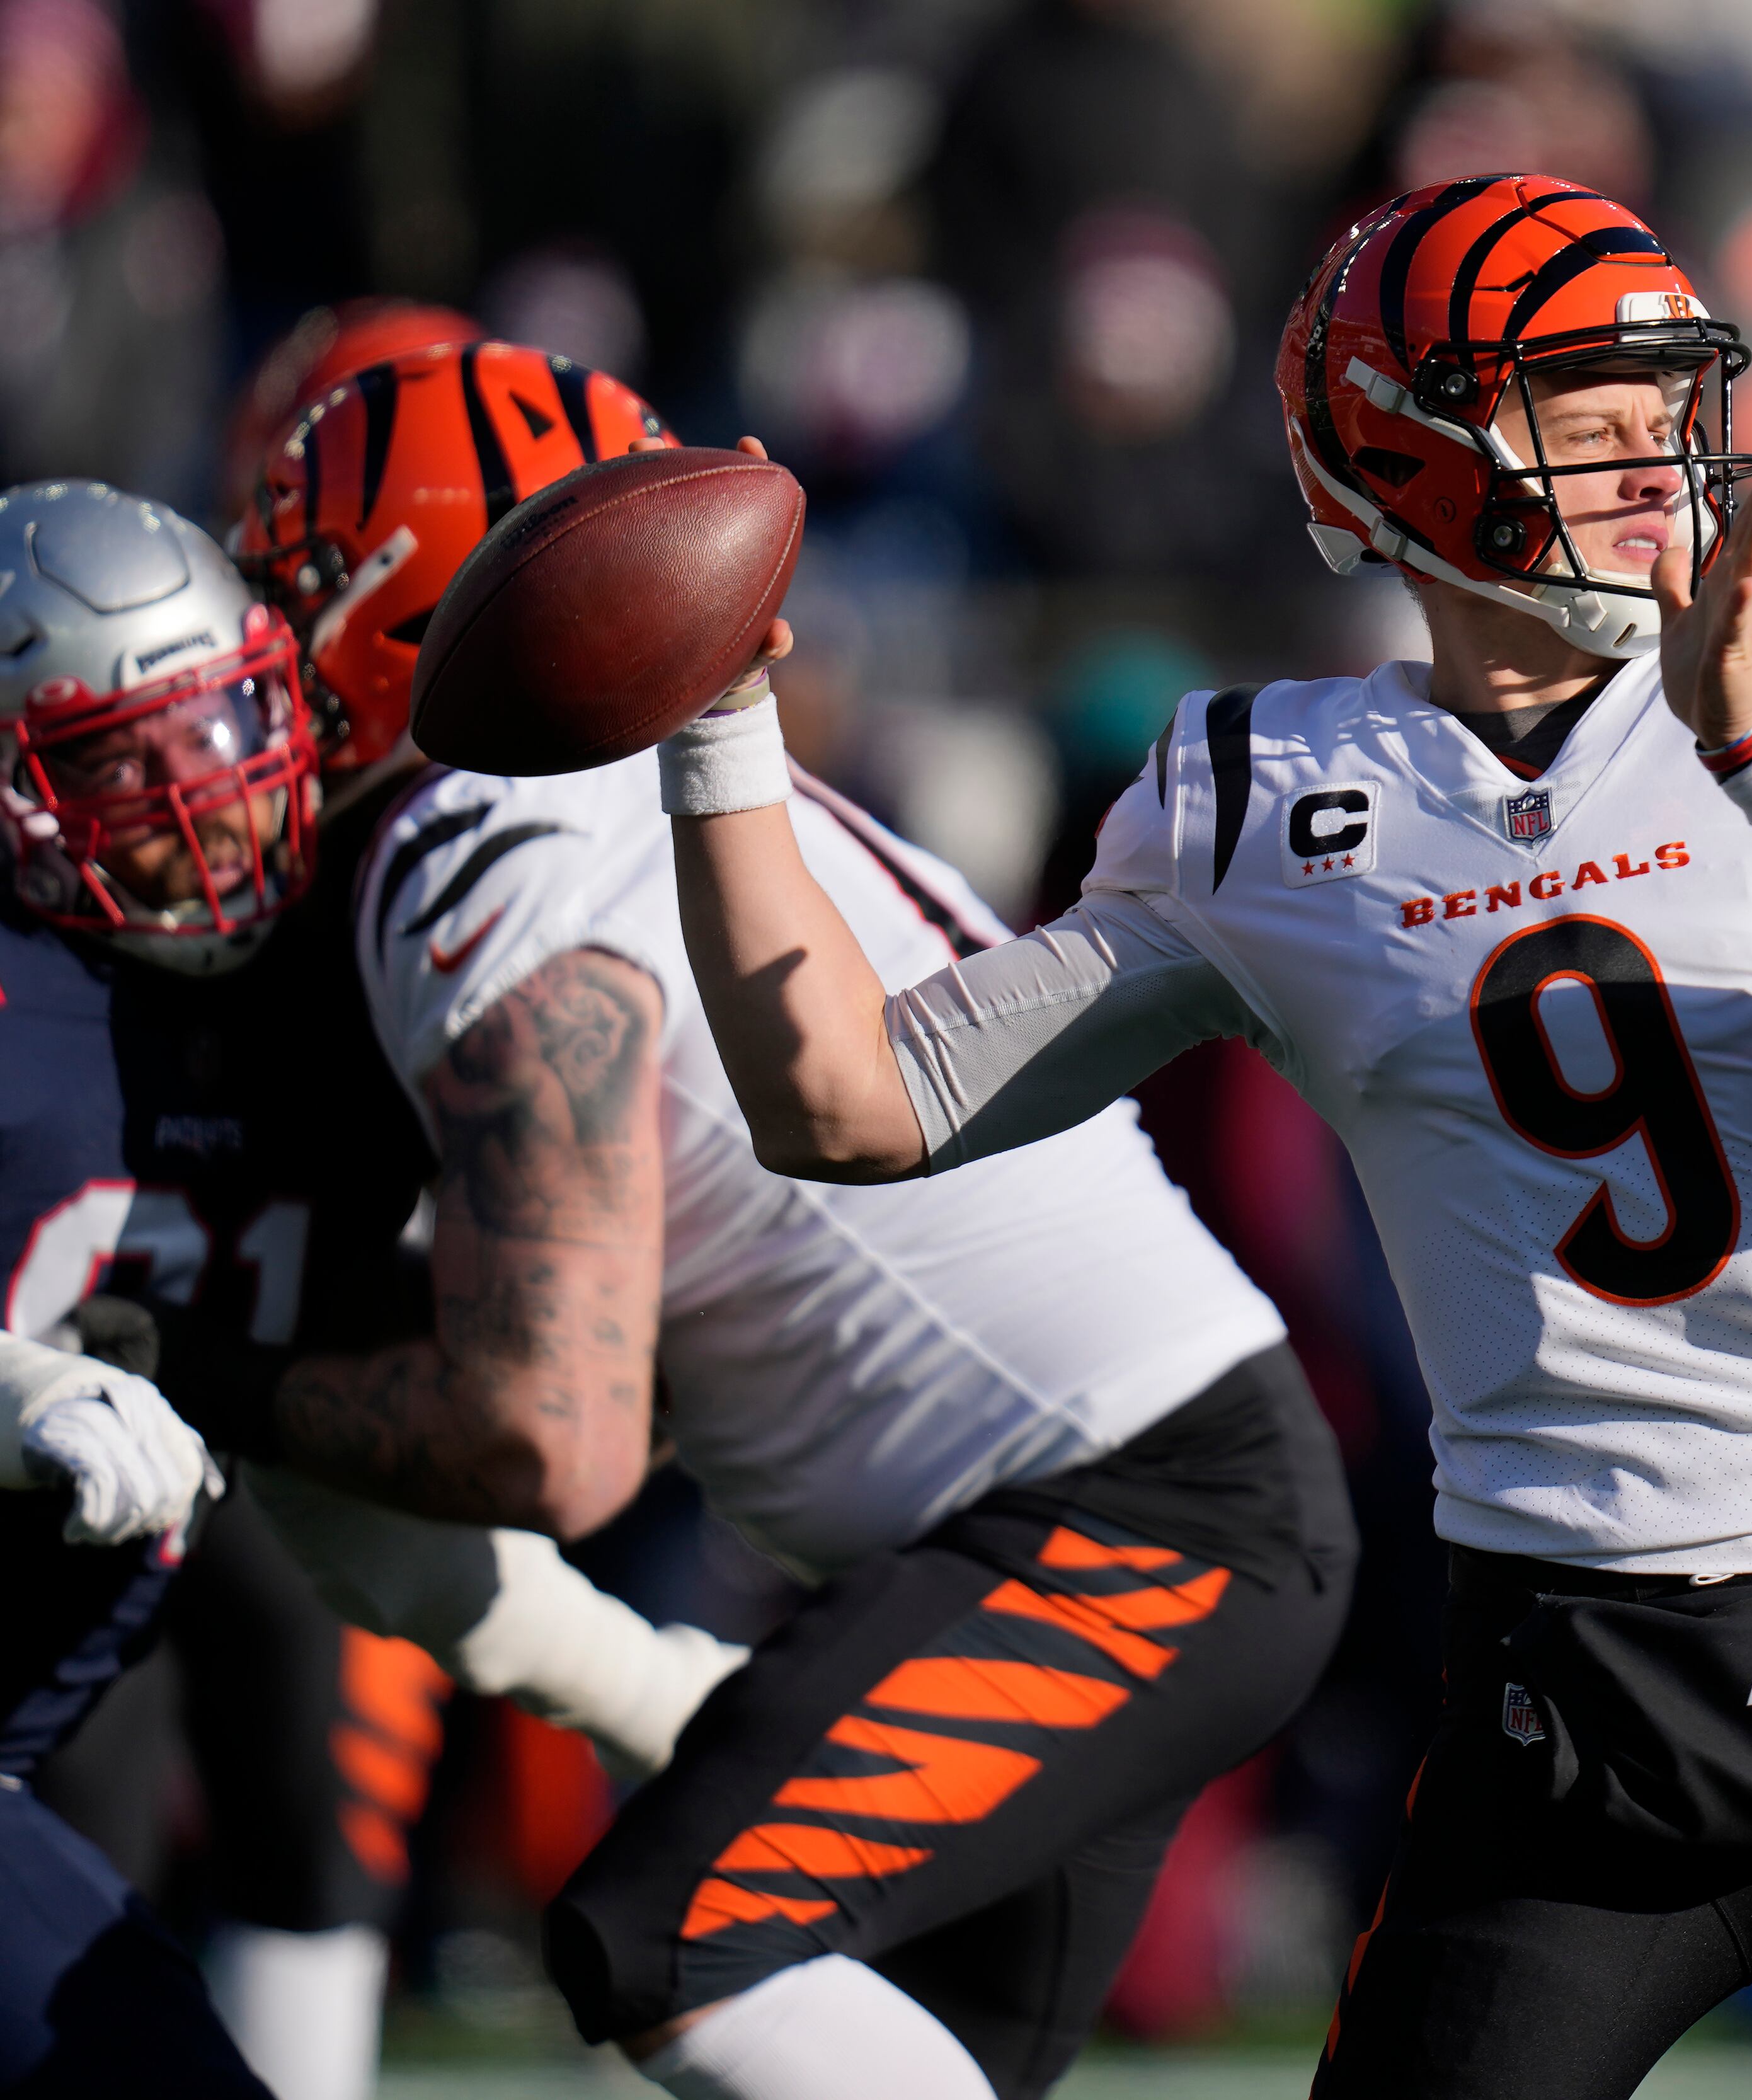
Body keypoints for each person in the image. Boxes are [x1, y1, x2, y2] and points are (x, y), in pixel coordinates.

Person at [648, 173, 1752, 2099]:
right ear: (1408, 453)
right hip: (1588, 1725)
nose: (1658, 463)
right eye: (1591, 418)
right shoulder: (1263, 801)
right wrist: (719, 732)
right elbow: (853, 1100)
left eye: (1668, 410)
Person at [220, 339, 1353, 2100]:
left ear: (432, 599)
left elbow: (552, 1429)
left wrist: (218, 1376)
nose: (265, 651)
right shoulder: (608, 810)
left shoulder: (490, 835)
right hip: (1121, 1503)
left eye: (303, 589)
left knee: (671, 1941)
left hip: (1126, 1525)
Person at [0, 476, 734, 2100]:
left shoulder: (319, 1010)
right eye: (121, 757)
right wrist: (24, 1388)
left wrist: (645, 1687)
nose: (204, 796)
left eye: (223, 726)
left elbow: (357, 1518)